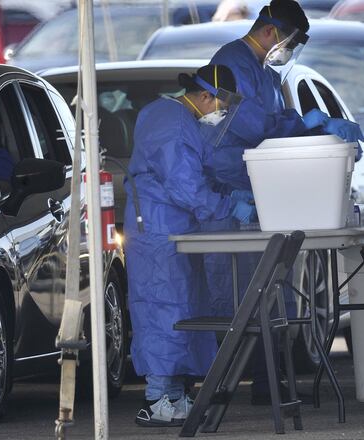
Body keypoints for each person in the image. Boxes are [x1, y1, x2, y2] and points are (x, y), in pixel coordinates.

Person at [204, 0, 364, 405]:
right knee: (243, 294)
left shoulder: (266, 74)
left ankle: (268, 379)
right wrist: (306, 123)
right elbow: (248, 124)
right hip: (229, 189)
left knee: (270, 291)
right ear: (271, 32)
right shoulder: (232, 63)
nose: (289, 51)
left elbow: (275, 128)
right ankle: (237, 383)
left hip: (260, 192)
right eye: (290, 41)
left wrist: (316, 128)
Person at [123, 64, 255, 427]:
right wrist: (228, 205)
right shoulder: (172, 122)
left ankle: (176, 394)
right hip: (157, 229)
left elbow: (205, 167)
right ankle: (158, 398)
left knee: (184, 308)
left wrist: (235, 187)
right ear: (204, 96)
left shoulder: (178, 119)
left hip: (173, 228)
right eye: (220, 104)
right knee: (163, 308)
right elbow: (185, 186)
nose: (221, 112)